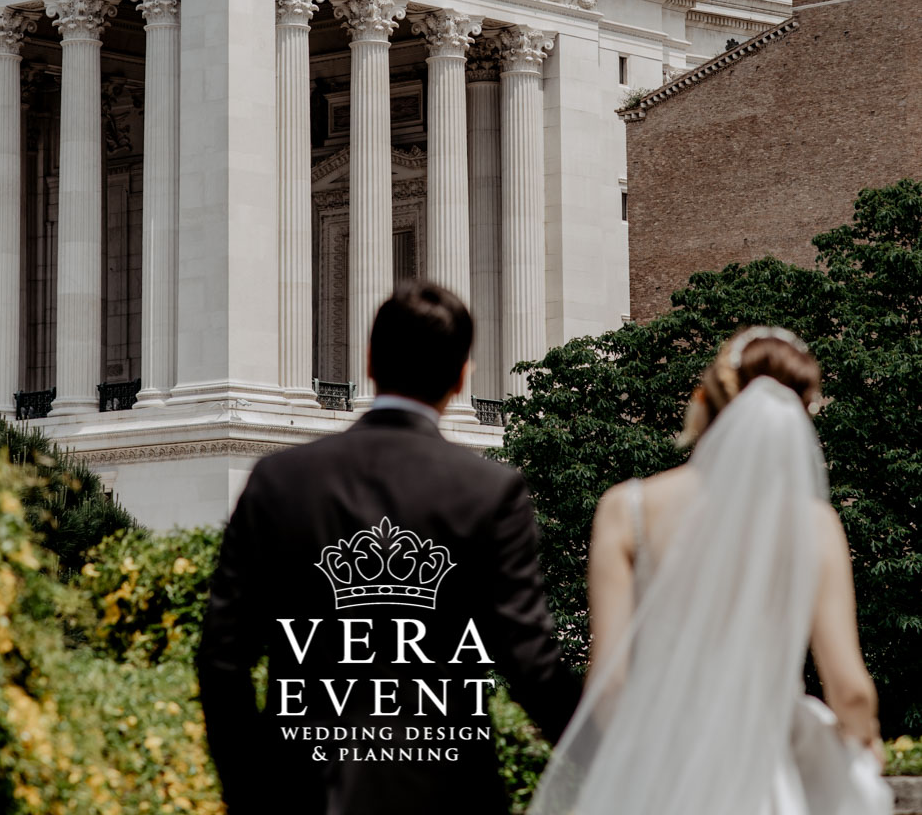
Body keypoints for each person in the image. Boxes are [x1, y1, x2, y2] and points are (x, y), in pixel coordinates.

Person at [198, 281, 580, 815]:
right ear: (462, 375)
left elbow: (221, 660)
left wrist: (252, 795)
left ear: (371, 361)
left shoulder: (278, 480)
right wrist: (612, 753)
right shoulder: (491, 492)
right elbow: (533, 667)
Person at [531, 326, 887, 815]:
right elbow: (848, 688)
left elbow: (609, 684)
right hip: (764, 776)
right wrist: (863, 744)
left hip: (656, 772)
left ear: (706, 400)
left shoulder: (628, 508)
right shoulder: (814, 524)